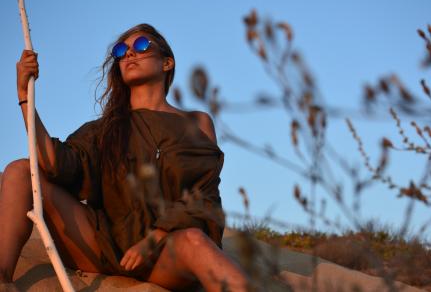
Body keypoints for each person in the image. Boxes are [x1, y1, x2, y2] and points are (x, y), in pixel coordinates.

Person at [0, 23, 250, 291]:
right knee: (19, 171)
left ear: (167, 63)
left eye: (141, 46)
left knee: (196, 241)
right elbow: (52, 165)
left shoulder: (196, 123)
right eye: (121, 50)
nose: (129, 54)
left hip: (166, 250)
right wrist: (25, 97)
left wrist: (155, 237)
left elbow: (204, 194)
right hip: (102, 244)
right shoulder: (104, 128)